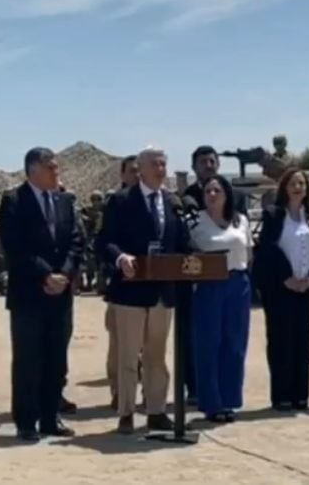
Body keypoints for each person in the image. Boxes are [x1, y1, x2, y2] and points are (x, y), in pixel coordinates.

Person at [98, 146, 191, 434]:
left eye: (163, 164)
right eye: (155, 164)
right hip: (130, 293)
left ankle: (156, 411)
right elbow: (104, 241)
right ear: (141, 169)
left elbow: (183, 242)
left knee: (156, 357)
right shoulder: (121, 201)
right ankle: (126, 412)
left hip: (163, 293)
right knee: (128, 357)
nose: (161, 169)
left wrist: (196, 261)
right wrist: (120, 258)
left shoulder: (172, 202)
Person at [0, 147, 84, 442]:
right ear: (33, 170)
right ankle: (26, 421)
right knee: (28, 360)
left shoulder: (64, 200)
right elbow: (15, 246)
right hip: (29, 294)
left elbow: (76, 241)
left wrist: (65, 274)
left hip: (60, 294)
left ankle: (50, 417)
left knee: (56, 359)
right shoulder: (14, 201)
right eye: (51, 167)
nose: (56, 172)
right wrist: (46, 274)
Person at [253, 167, 309, 411]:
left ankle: (300, 395)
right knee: (280, 341)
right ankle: (281, 395)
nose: (298, 187)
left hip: (306, 288)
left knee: (303, 341)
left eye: (301, 184)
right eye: (293, 183)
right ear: (284, 187)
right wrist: (286, 277)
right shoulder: (274, 214)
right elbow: (268, 249)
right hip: (280, 288)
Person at [188, 174, 253, 422]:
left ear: (227, 194)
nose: (212, 195)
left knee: (235, 343)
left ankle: (229, 400)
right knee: (208, 344)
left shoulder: (241, 220)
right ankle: (211, 403)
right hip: (209, 286)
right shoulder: (195, 221)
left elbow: (248, 252)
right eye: (208, 191)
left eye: (217, 191)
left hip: (238, 283)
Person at [103, 155, 140, 408]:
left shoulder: (159, 203)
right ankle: (119, 392)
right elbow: (105, 242)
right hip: (122, 286)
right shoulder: (115, 203)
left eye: (140, 171)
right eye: (132, 171)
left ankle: (149, 395)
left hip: (151, 285)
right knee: (120, 346)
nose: (137, 176)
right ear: (123, 175)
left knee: (149, 348)